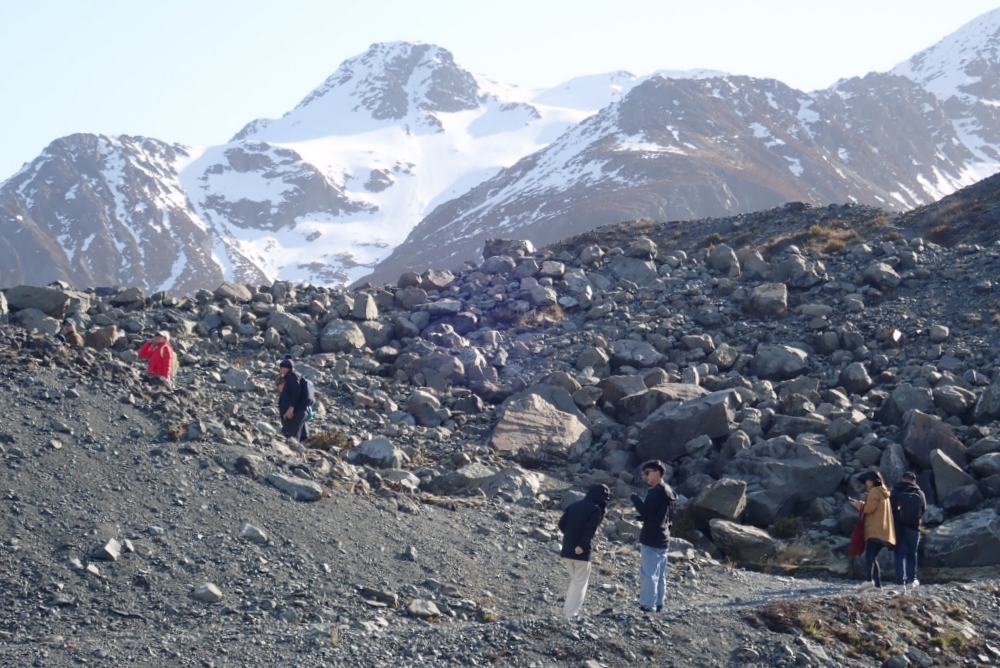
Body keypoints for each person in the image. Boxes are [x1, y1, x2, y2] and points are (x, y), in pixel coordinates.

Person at [557, 484, 610, 619]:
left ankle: (567, 610)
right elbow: (589, 530)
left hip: (567, 549)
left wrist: (570, 537)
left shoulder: (574, 505)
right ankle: (570, 613)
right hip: (581, 552)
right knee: (580, 583)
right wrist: (582, 545)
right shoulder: (595, 510)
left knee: (575, 581)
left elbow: (561, 524)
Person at [630, 460, 677, 613]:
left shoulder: (655, 492)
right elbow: (663, 515)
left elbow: (646, 511)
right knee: (660, 574)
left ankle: (647, 605)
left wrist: (635, 499)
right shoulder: (669, 492)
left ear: (658, 472)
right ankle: (658, 604)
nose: (645, 476)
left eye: (648, 472)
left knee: (648, 573)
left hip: (651, 537)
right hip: (664, 538)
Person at [850, 470, 896, 590]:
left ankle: (869, 581)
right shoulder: (883, 493)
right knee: (873, 557)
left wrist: (858, 505)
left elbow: (869, 509)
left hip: (875, 530)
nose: (866, 483)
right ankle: (877, 585)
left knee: (869, 557)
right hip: (884, 531)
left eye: (868, 480)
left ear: (873, 481)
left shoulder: (874, 492)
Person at [891, 471, 927, 587]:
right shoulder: (919, 492)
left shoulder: (896, 491)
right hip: (914, 527)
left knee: (899, 554)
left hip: (899, 527)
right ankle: (912, 579)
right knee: (912, 553)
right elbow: (924, 508)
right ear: (914, 480)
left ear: (902, 479)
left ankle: (901, 581)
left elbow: (890, 508)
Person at [278, 356, 308, 441]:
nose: (283, 369)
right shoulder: (292, 377)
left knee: (285, 436)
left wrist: (291, 407)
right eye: (282, 366)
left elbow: (296, 391)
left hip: (295, 412)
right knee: (293, 439)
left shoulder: (291, 376)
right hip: (298, 412)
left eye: (286, 367)